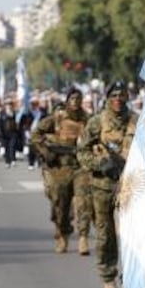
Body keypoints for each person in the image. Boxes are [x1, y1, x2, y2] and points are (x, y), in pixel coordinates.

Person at [77, 81, 136, 288]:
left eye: (122, 95)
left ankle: (130, 280)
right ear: (108, 98)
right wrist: (100, 164)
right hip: (102, 187)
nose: (118, 99)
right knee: (105, 234)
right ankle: (108, 278)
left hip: (132, 187)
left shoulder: (137, 122)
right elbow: (82, 152)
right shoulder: (96, 122)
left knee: (133, 235)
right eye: (114, 95)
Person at [31, 88, 92, 254]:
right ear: (67, 100)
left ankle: (83, 238)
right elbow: (35, 135)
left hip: (80, 167)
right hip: (60, 168)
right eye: (72, 98)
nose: (75, 101)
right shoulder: (56, 119)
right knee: (61, 206)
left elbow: (96, 138)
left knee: (83, 203)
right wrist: (46, 152)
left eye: (78, 98)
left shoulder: (88, 119)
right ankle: (62, 235)